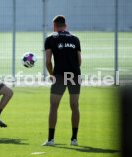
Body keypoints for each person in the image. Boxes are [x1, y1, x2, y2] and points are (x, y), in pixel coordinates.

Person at [42, 15, 82, 146]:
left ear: (54, 26)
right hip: (75, 75)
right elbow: (79, 60)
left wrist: (51, 74)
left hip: (59, 75)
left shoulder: (50, 39)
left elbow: (48, 61)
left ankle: (51, 139)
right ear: (65, 25)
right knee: (75, 106)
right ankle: (74, 139)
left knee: (54, 106)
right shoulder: (75, 39)